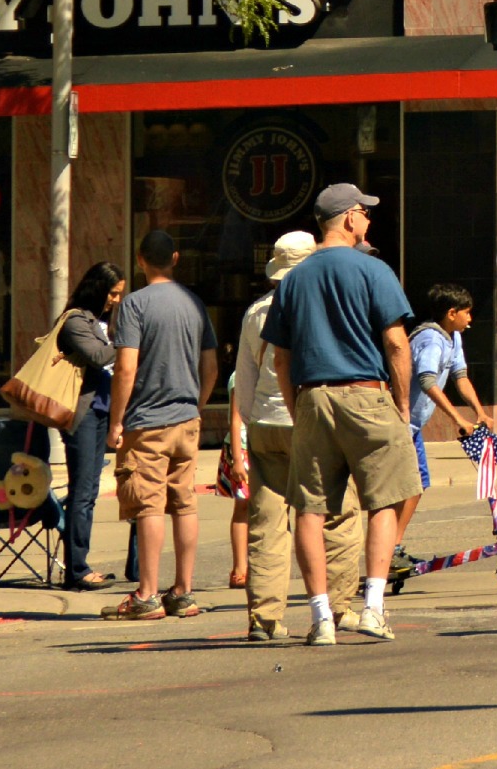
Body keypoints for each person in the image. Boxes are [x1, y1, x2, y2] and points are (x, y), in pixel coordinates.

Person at [263, 182, 421, 645]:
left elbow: (280, 358)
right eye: (365, 213)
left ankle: (320, 618)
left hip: (312, 395)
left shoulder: (293, 280)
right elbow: (395, 343)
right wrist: (403, 404)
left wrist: (299, 407)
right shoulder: (373, 270)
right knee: (388, 497)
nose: (369, 220)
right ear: (349, 218)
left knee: (309, 508)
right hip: (366, 393)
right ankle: (372, 605)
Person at [227, 232, 359, 644]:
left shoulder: (256, 312)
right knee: (336, 513)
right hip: (311, 418)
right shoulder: (321, 307)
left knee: (267, 522)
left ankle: (264, 617)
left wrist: (248, 427)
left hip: (265, 424)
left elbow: (244, 381)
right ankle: (336, 606)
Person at [103, 228, 217, 621]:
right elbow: (211, 366)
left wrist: (116, 421)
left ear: (139, 260)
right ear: (176, 258)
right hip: (186, 419)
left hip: (146, 421)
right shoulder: (193, 303)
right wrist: (195, 404)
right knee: (184, 504)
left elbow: (126, 367)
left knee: (148, 505)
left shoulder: (134, 305)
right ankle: (183, 591)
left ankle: (147, 594)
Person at [390, 282, 488, 583]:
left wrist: (480, 411)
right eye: (467, 313)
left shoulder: (452, 337)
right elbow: (428, 381)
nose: (470, 319)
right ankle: (389, 548)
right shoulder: (431, 339)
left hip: (414, 426)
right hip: (400, 423)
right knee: (411, 486)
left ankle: (391, 546)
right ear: (451, 312)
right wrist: (458, 417)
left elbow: (460, 377)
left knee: (415, 486)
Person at [50, 262, 125, 592]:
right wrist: (129, 342)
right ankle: (76, 570)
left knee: (90, 492)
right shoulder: (76, 321)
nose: (116, 300)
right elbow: (98, 356)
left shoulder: (100, 321)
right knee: (81, 493)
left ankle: (81, 564)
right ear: (97, 288)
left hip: (99, 412)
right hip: (80, 416)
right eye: (112, 293)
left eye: (120, 294)